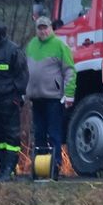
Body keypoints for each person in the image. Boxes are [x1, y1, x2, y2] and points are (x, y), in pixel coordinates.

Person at [25, 15, 76, 180]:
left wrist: (69, 94)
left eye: (45, 27)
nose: (43, 31)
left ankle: (55, 166)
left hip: (54, 98)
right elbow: (26, 70)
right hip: (36, 97)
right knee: (39, 134)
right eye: (40, 28)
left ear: (51, 28)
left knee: (54, 133)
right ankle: (40, 169)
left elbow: (69, 71)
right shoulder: (31, 45)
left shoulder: (60, 45)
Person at [0, 22, 28, 182]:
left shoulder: (13, 51)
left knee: (11, 137)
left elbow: (22, 77)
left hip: (9, 101)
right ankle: (2, 168)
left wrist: (15, 97)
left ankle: (10, 168)